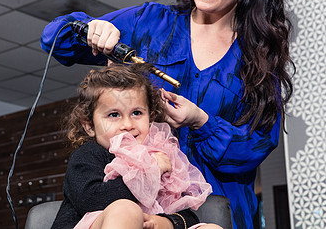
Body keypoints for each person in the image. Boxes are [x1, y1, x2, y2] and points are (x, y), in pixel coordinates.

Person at [41, 0, 294, 228]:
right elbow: (55, 37)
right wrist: (90, 28)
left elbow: (259, 144)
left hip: (215, 207)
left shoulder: (258, 58)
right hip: (135, 203)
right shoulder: (151, 24)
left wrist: (201, 120)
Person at [51, 63, 222, 229]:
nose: (127, 124)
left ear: (151, 118)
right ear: (89, 125)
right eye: (114, 114)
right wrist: (150, 173)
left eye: (136, 113)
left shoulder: (160, 155)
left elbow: (186, 214)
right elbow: (91, 200)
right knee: (126, 210)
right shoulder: (88, 155)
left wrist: (165, 223)